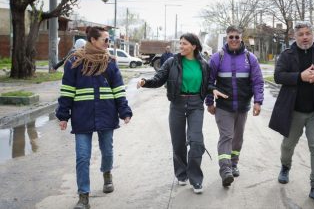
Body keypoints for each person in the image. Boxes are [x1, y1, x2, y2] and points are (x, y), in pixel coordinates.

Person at [56, 26, 132, 209]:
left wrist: (124, 111)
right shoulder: (74, 62)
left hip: (106, 114)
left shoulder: (110, 63)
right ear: (93, 40)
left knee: (107, 151)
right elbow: (67, 90)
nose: (108, 43)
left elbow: (118, 90)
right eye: (105, 40)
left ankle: (107, 174)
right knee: (82, 157)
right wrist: (63, 115)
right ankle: (83, 196)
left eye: (109, 40)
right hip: (82, 116)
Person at [268, 21, 314, 206]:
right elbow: (278, 76)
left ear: (313, 35)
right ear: (295, 36)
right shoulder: (287, 55)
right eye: (301, 34)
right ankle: (285, 166)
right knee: (288, 145)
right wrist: (300, 76)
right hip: (294, 110)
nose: (305, 37)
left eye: (308, 33)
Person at [137, 33, 209, 194]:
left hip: (196, 104)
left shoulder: (204, 64)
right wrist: (145, 82)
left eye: (184, 44)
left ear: (194, 46)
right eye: (180, 43)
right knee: (178, 143)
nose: (181, 46)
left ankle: (196, 178)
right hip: (177, 104)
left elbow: (208, 84)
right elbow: (158, 79)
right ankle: (181, 174)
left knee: (196, 142)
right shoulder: (172, 62)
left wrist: (214, 91)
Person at [205, 25, 264, 187]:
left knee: (237, 139)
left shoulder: (250, 58)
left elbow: (257, 82)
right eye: (231, 37)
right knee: (227, 137)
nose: (234, 40)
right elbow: (209, 82)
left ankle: (234, 163)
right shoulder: (218, 58)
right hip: (224, 107)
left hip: (243, 107)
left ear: (241, 38)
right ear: (227, 38)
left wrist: (258, 102)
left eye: (237, 37)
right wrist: (209, 102)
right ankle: (225, 170)